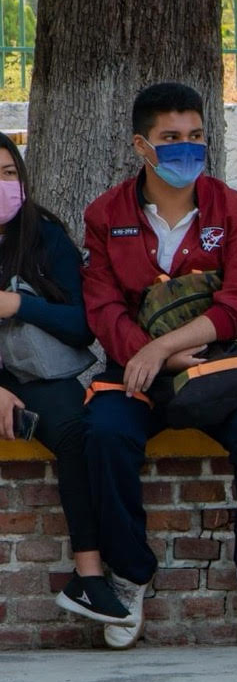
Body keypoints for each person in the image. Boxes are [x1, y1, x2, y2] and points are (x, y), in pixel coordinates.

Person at [81, 82, 237, 649]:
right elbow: (101, 306)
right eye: (170, 139)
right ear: (140, 146)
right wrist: (151, 354)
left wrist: (163, 346)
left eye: (196, 137)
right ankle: (129, 575)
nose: (186, 149)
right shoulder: (105, 215)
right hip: (139, 373)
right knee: (103, 435)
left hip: (222, 369)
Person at [0, 134, 125, 625]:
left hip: (35, 374)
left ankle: (88, 578)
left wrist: (20, 305)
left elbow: (82, 324)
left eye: (9, 173)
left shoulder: (44, 235)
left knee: (81, 432)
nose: (3, 184)